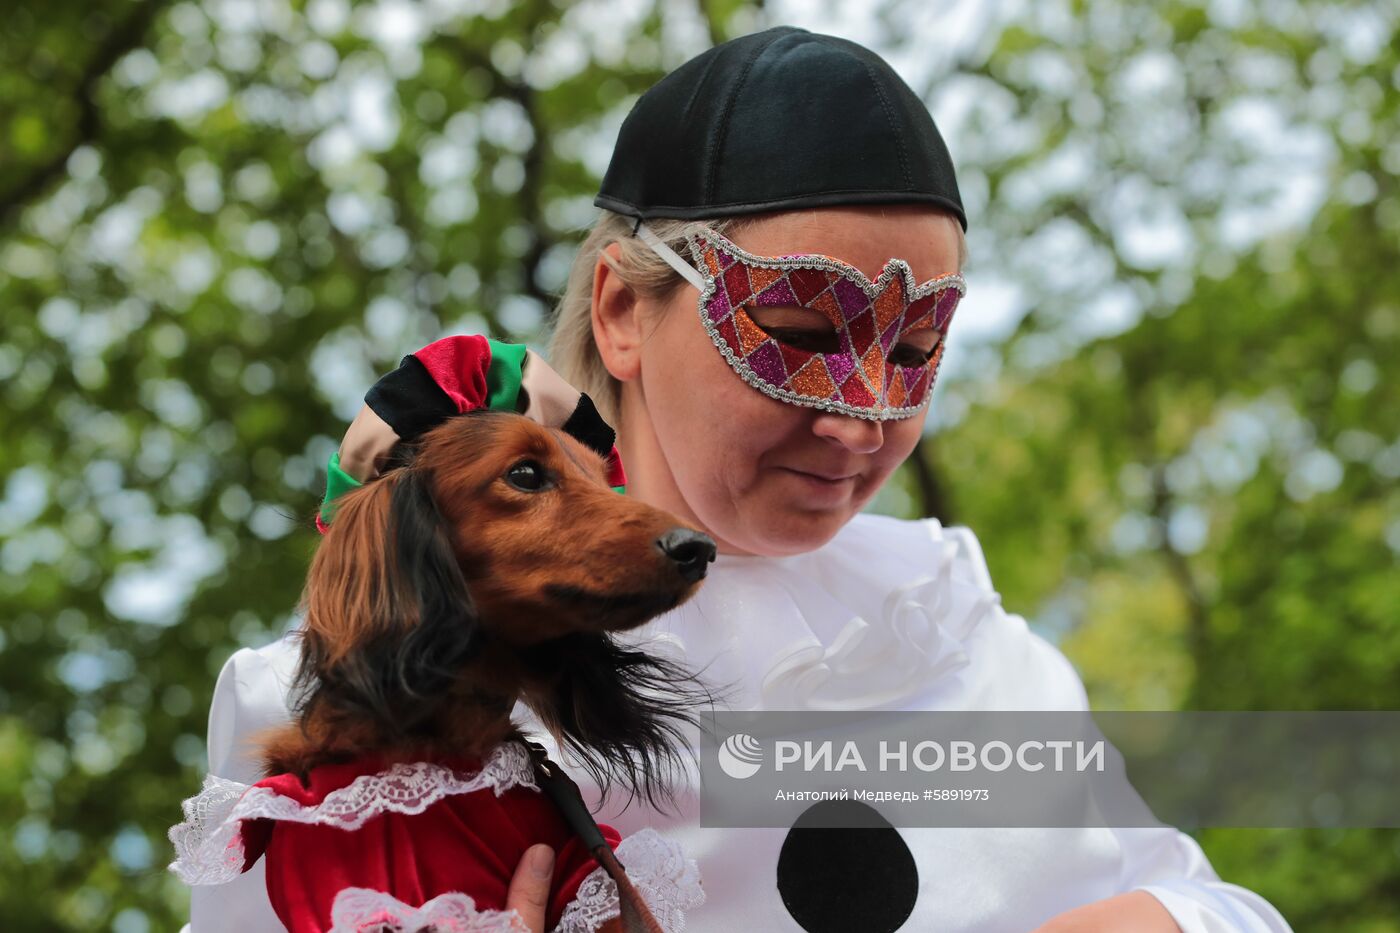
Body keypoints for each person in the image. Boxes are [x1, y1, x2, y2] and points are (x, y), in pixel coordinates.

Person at [184, 26, 1293, 932]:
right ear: (622, 311)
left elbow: (1213, 903)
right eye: (802, 329)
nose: (860, 416)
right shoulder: (369, 709)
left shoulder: (959, 635)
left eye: (911, 350)